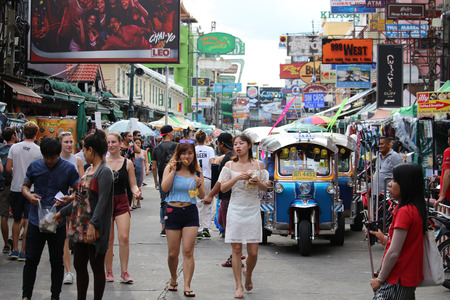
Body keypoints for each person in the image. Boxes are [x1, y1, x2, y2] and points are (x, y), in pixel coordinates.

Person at [56, 129, 114, 300]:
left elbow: (102, 202)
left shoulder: (105, 172)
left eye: (83, 149)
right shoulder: (89, 169)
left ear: (91, 150)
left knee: (96, 266)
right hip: (80, 226)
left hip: (94, 228)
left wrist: (93, 225)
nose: (82, 153)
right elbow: (80, 199)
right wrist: (62, 212)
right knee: (79, 265)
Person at [21, 137, 80, 300]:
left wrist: (69, 198)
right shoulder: (35, 166)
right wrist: (29, 196)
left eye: (52, 158)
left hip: (57, 220)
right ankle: (26, 296)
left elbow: (79, 191)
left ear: (57, 155)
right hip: (35, 220)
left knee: (56, 261)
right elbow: (24, 186)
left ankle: (55, 296)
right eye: (46, 157)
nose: (49, 161)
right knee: (31, 260)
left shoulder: (68, 168)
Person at [217, 134, 269, 298]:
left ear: (249, 145)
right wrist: (238, 177)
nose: (238, 146)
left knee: (253, 253)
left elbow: (266, 188)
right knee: (237, 249)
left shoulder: (259, 165)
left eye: (241, 143)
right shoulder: (229, 165)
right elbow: (223, 188)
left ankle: (249, 273)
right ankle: (238, 285)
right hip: (235, 209)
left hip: (252, 208)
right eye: (235, 144)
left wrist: (257, 182)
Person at [369, 163, 427, 299]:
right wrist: (385, 239)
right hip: (407, 277)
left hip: (398, 278)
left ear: (406, 184)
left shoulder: (405, 212)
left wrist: (380, 279)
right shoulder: (415, 209)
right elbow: (406, 242)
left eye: (395, 180)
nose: (390, 184)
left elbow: (394, 252)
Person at [161, 139, 205, 298]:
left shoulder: (196, 172)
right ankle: (174, 278)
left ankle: (187, 285)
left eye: (190, 153)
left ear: (194, 154)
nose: (187, 156)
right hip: (173, 211)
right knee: (173, 254)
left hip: (190, 212)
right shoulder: (170, 167)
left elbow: (201, 196)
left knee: (188, 251)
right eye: (184, 153)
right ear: (178, 154)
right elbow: (164, 188)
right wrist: (172, 170)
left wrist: (199, 185)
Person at [104, 132, 140, 284]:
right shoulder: (101, 162)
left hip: (122, 201)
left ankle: (124, 271)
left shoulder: (127, 163)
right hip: (105, 203)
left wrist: (136, 191)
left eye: (113, 142)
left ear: (120, 143)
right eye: (108, 142)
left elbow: (132, 184)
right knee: (109, 239)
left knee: (123, 237)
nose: (111, 145)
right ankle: (109, 271)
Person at [6, 121, 42, 261]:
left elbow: (9, 168)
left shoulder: (14, 148)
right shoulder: (38, 150)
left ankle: (14, 249)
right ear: (36, 133)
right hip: (31, 189)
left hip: (16, 188)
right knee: (27, 221)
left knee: (16, 220)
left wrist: (17, 172)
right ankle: (23, 251)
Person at [204, 133, 236, 267]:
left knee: (228, 226)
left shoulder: (228, 159)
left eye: (218, 143)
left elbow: (220, 181)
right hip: (229, 196)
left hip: (228, 197)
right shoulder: (231, 157)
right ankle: (236, 254)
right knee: (225, 224)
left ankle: (236, 255)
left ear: (221, 143)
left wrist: (210, 195)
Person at [59, 131, 85, 285]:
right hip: (59, 200)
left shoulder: (77, 160)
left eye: (71, 142)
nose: (69, 145)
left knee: (70, 232)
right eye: (66, 142)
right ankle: (68, 270)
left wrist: (73, 195)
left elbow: (81, 183)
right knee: (63, 235)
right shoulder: (55, 159)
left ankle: (69, 268)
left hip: (73, 199)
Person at [152, 125, 177, 237]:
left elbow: (153, 167)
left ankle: (163, 227)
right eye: (172, 132)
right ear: (168, 133)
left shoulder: (156, 148)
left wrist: (156, 180)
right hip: (175, 176)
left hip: (162, 177)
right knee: (174, 199)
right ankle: (173, 224)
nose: (173, 134)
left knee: (163, 201)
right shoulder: (177, 146)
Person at [194, 130, 215, 239]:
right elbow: (212, 163)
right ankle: (206, 227)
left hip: (196, 179)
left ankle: (199, 229)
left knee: (197, 203)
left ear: (196, 139)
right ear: (206, 138)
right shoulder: (210, 149)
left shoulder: (193, 149)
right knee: (208, 203)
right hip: (208, 178)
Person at [0, 127, 17, 254]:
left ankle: (6, 243)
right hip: (16, 184)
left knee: (4, 215)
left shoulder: (0, 149)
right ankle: (15, 242)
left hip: (3, 185)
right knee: (19, 216)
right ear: (13, 136)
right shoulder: (17, 149)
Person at [434, 129, 450, 208]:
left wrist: (442, 196)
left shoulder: (448, 151)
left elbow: (448, 174)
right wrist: (441, 178)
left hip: (448, 196)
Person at [131, 138, 147, 209]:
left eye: (139, 143)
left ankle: (138, 201)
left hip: (140, 172)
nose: (137, 144)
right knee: (132, 185)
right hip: (133, 171)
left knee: (139, 186)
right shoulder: (131, 152)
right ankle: (134, 203)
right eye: (136, 143)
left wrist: (147, 169)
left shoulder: (144, 152)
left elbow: (146, 162)